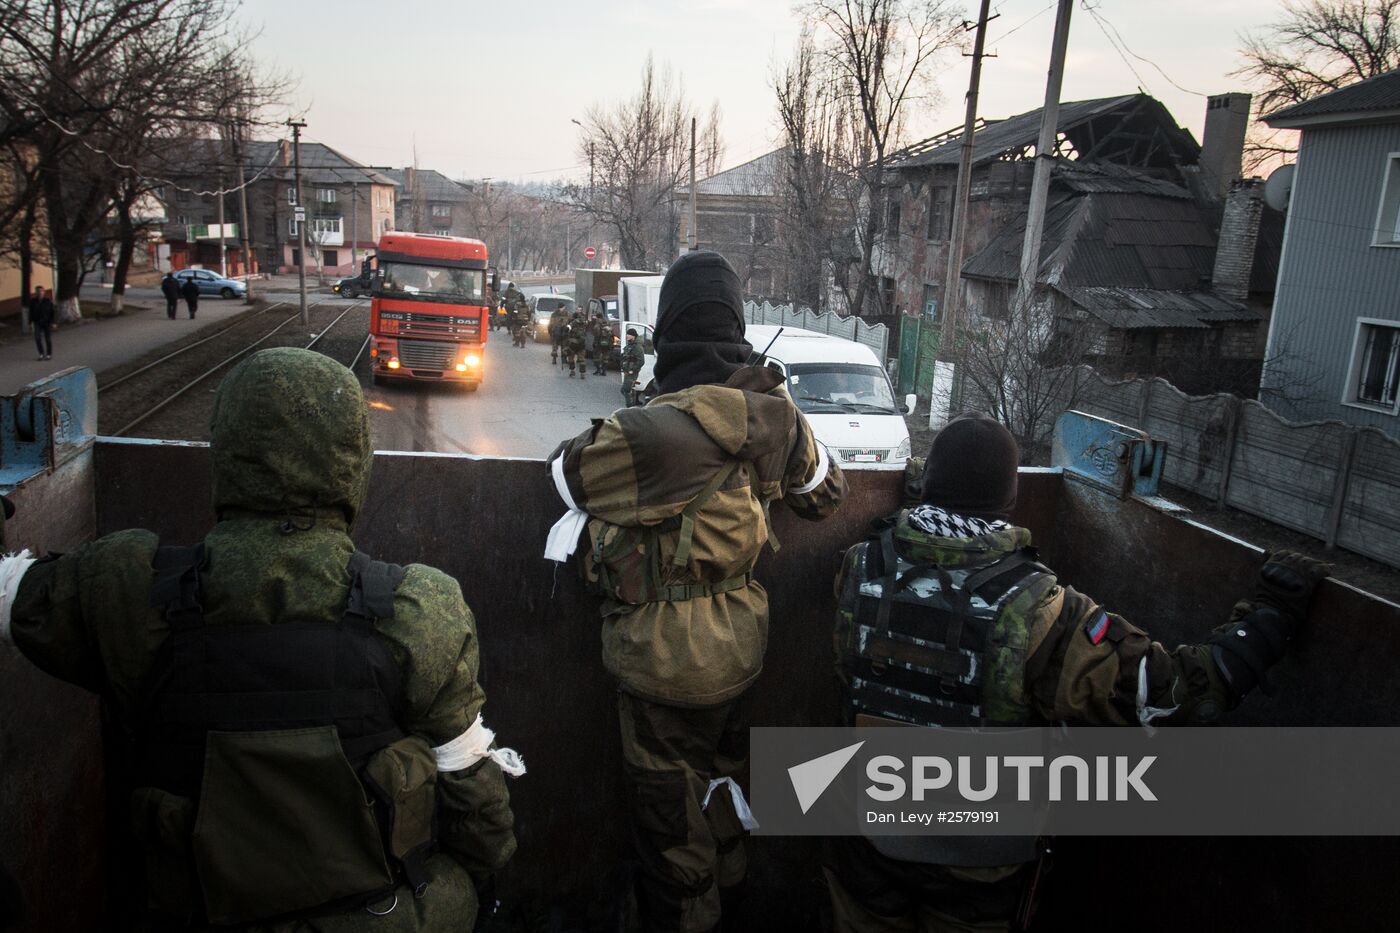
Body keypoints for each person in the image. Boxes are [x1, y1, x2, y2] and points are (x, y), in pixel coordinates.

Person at [0, 348, 520, 930]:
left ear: (226, 455)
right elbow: (476, 802)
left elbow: (14, 595)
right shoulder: (419, 607)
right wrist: (477, 876)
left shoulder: (123, 590)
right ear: (353, 463)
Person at [825, 412, 1332, 933]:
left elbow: (928, 567)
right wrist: (1272, 614)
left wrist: (927, 497)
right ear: (1011, 496)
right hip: (975, 865)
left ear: (928, 484)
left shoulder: (858, 567)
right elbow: (1173, 695)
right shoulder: (1042, 609)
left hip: (864, 842)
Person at [545, 250, 848, 933]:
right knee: (725, 803)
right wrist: (784, 415)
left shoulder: (650, 432)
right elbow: (828, 494)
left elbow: (563, 476)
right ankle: (730, 902)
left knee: (669, 838)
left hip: (661, 670)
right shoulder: (772, 416)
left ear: (668, 330)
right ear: (737, 327)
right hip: (741, 655)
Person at [619, 327, 644, 407]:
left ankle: (629, 407)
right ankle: (632, 404)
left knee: (625, 390)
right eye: (627, 334)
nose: (627, 336)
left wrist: (633, 370)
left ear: (633, 336)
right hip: (627, 371)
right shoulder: (629, 345)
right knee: (626, 390)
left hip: (632, 372)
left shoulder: (637, 347)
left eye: (629, 335)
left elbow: (641, 361)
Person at [29, 286, 54, 361]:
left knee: (48, 339)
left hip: (46, 322)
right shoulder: (33, 301)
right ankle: (41, 354)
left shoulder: (47, 301)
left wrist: (53, 322)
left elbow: (52, 312)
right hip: (37, 322)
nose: (40, 293)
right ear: (36, 292)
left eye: (41, 291)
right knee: (37, 338)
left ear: (44, 292)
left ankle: (49, 354)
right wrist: (29, 322)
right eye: (38, 291)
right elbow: (31, 313)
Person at [563, 311, 588, 379]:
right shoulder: (585, 323)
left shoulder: (573, 322)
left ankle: (572, 371)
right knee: (582, 359)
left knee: (571, 358)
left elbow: (568, 328)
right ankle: (582, 373)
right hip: (582, 344)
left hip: (572, 344)